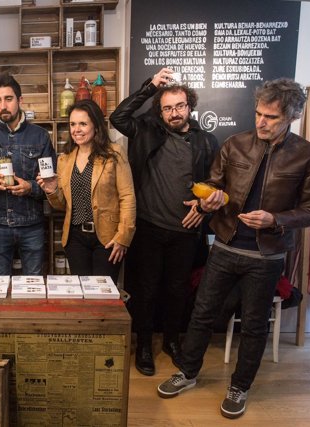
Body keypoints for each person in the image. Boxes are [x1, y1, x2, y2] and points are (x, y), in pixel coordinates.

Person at [157, 78, 310, 419]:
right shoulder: (235, 144)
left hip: (266, 256)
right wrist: (208, 201)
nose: (262, 122)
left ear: (292, 116)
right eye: (258, 113)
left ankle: (240, 386)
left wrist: (275, 219)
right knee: (202, 312)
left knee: (253, 324)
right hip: (225, 245)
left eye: (272, 117)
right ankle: (188, 372)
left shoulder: (309, 157)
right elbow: (213, 186)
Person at [110, 68, 219, 376]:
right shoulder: (146, 129)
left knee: (177, 291)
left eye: (179, 106)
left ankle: (172, 342)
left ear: (190, 106)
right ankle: (143, 346)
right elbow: (118, 117)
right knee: (144, 291)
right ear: (160, 110)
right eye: (167, 107)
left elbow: (217, 183)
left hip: (185, 232)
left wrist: (203, 207)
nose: (174, 113)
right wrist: (149, 87)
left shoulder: (206, 142)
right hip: (147, 227)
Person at [37, 99, 135, 282]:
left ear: (96, 126)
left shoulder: (114, 153)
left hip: (107, 237)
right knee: (82, 294)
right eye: (73, 124)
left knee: (103, 294)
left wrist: (123, 237)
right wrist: (51, 190)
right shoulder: (64, 159)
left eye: (83, 123)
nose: (76, 129)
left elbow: (127, 196)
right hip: (75, 239)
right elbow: (61, 205)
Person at [0, 72, 56, 275]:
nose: (3, 106)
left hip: (32, 224)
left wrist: (31, 187)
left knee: (33, 282)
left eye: (8, 99)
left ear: (20, 100)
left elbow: (51, 180)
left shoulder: (40, 136)